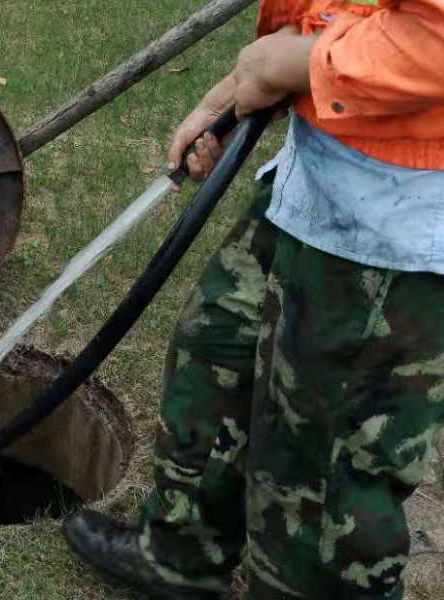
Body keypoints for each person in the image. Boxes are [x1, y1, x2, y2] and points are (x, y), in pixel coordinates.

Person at [63, 1, 444, 598]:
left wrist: (306, 62)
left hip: (403, 239)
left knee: (320, 472)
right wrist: (237, 86)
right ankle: (181, 557)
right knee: (215, 354)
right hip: (318, 179)